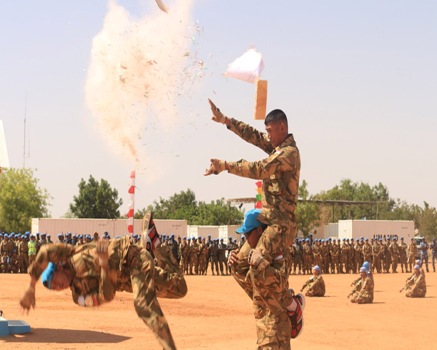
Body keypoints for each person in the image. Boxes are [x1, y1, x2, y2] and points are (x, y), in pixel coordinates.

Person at [19, 211, 187, 350]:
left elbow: (45, 252)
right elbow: (106, 296)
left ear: (59, 268)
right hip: (127, 280)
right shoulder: (78, 296)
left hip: (133, 258)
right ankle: (155, 244)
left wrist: (31, 287)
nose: (58, 287)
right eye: (54, 289)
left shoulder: (70, 254)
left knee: (143, 305)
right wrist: (104, 265)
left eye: (55, 282)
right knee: (179, 288)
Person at [228, 209, 305, 349]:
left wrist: (261, 264)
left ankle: (294, 305)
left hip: (277, 326)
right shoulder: (254, 251)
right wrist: (234, 261)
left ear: (259, 231)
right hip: (262, 319)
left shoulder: (280, 250)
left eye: (247, 233)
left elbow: (280, 282)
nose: (245, 238)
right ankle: (292, 302)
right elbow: (247, 280)